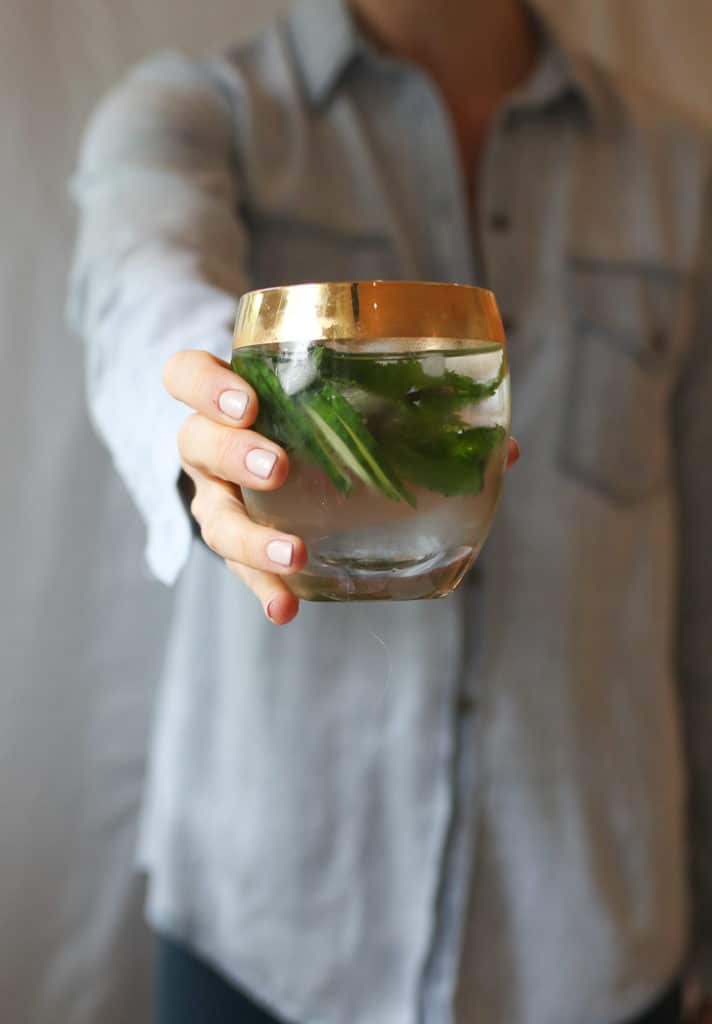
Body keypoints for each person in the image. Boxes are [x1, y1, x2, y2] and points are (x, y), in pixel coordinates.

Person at [69, 0, 712, 1021]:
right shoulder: (197, 112)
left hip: (589, 944)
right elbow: (143, 279)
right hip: (265, 937)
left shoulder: (680, 167)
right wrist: (212, 429)